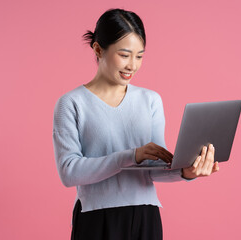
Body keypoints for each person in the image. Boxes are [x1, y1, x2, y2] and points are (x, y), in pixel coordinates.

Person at [52, 8, 219, 240]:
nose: (132, 65)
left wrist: (186, 171)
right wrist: (131, 156)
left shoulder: (150, 100)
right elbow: (69, 172)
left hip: (145, 217)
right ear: (98, 49)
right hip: (96, 218)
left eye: (139, 56)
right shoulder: (71, 103)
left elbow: (155, 168)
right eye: (124, 54)